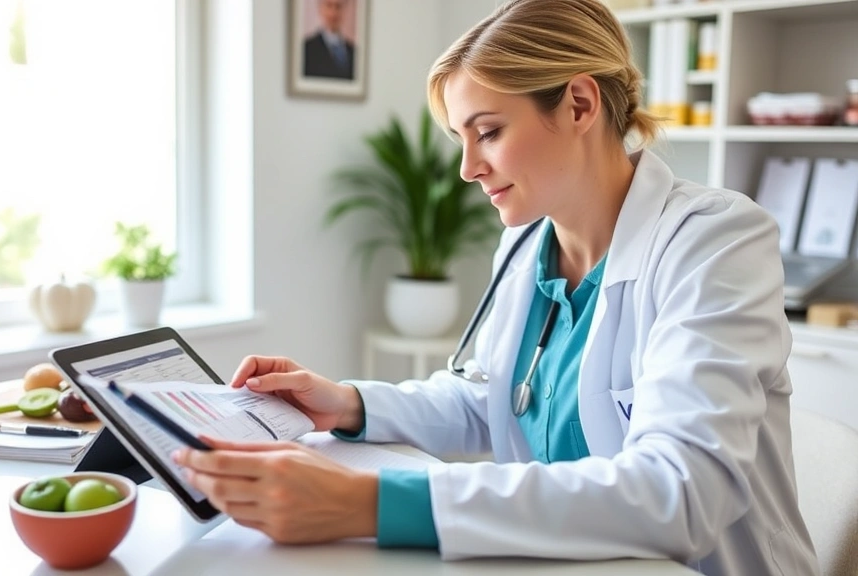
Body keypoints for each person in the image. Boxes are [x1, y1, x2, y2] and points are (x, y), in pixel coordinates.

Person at [173, 1, 820, 574]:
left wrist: (363, 503)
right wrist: (347, 405)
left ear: (580, 104)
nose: (466, 167)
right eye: (462, 138)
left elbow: (681, 492)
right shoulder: (526, 245)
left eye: (488, 131)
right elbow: (499, 400)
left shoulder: (714, 240)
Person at [302, 0, 355, 80]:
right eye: (329, 5)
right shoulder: (306, 48)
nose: (333, 13)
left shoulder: (354, 51)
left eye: (338, 7)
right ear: (320, 9)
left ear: (345, 10)